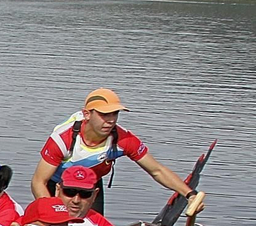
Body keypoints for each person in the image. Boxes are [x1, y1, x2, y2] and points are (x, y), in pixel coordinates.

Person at [31, 88, 193, 214]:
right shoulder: (62, 139)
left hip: (89, 184)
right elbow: (38, 182)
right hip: (58, 185)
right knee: (55, 222)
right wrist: (53, 213)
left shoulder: (123, 139)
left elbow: (157, 170)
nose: (111, 120)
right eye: (104, 114)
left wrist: (189, 195)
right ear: (87, 114)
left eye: (115, 114)